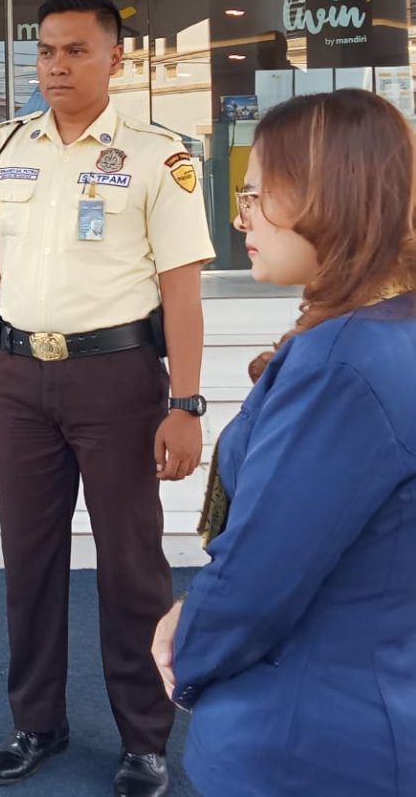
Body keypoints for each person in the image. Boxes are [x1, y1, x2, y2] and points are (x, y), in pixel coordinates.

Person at [0, 0, 215, 797]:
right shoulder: (5, 148)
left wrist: (187, 403)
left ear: (115, 60)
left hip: (120, 381)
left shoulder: (160, 154)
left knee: (131, 564)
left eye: (76, 51)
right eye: (47, 51)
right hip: (20, 378)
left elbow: (183, 292)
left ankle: (144, 739)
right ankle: (38, 723)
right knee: (29, 559)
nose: (56, 65)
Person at [152, 89, 416, 797]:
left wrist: (190, 644)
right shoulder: (389, 331)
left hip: (307, 737)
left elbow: (264, 571)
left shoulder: (343, 363)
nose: (242, 215)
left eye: (259, 192)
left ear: (334, 195)